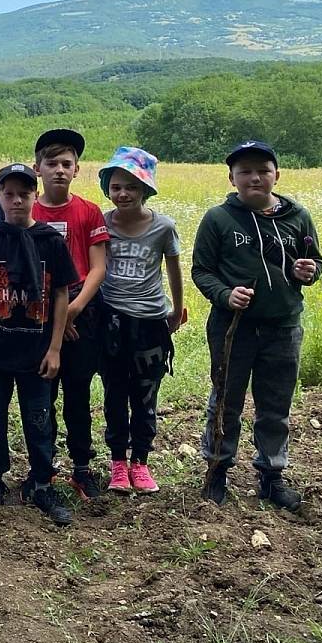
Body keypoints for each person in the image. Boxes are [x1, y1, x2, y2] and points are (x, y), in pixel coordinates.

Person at [194, 140, 322, 510]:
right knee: (225, 401)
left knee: (275, 405)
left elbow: (314, 261)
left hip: (283, 327)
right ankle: (217, 471)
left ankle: (271, 475)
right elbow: (202, 270)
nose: (255, 177)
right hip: (232, 328)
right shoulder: (218, 219)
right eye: (245, 171)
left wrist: (308, 271)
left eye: (263, 170)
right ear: (232, 178)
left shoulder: (298, 217)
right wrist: (225, 295)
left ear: (276, 175)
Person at [0, 164, 77, 526]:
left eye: (24, 193)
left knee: (39, 417)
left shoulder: (50, 241)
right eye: (9, 194)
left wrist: (55, 348)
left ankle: (42, 481)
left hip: (37, 352)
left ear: (35, 196)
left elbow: (61, 292)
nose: (17, 200)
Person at [99, 147, 184, 495]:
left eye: (131, 187)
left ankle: (141, 461)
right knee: (114, 393)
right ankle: (118, 462)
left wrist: (177, 310)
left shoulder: (163, 227)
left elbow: (174, 269)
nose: (123, 194)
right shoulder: (102, 223)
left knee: (146, 394)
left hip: (150, 322)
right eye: (116, 187)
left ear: (146, 189)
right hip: (111, 321)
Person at [31, 128, 109, 500]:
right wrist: (54, 316)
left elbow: (98, 268)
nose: (59, 170)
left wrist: (73, 311)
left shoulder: (89, 212)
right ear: (38, 168)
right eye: (52, 163)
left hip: (82, 311)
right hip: (36, 313)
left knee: (78, 394)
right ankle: (41, 469)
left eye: (67, 164)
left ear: (77, 169)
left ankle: (81, 467)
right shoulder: (29, 210)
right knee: (41, 397)